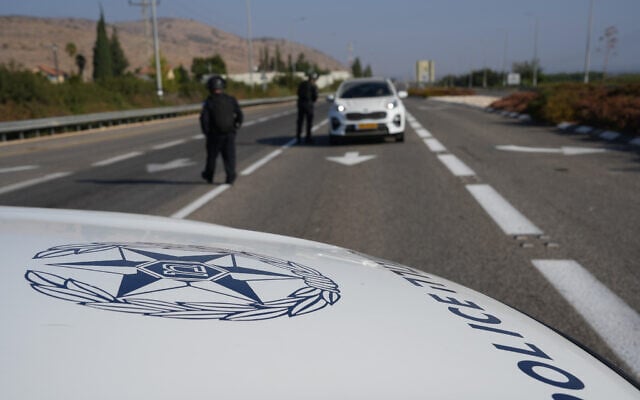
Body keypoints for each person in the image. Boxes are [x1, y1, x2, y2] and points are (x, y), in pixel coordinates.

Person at [199, 75, 243, 185]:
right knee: (229, 156)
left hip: (214, 135)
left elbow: (204, 119)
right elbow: (239, 115)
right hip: (229, 133)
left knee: (212, 157)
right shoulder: (231, 99)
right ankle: (230, 176)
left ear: (210, 88)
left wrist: (206, 132)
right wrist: (236, 125)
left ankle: (209, 175)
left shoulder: (209, 102)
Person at [296, 71, 318, 143]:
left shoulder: (302, 84)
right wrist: (312, 100)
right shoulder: (313, 86)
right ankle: (308, 138)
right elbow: (315, 96)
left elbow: (298, 93)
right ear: (313, 79)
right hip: (308, 105)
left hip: (301, 104)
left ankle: (298, 137)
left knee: (300, 121)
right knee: (309, 122)